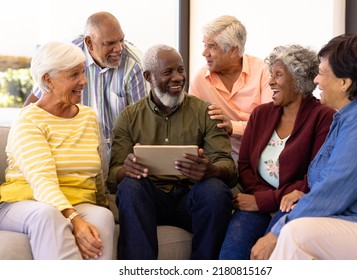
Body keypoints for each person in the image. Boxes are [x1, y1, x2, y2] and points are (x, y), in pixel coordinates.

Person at [251, 34, 357, 260]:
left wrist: (274, 234)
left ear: (345, 83)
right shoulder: (349, 117)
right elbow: (327, 183)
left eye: (322, 73)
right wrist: (304, 197)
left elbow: (335, 189)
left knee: (294, 234)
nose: (316, 80)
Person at [108, 44, 237, 260]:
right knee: (130, 186)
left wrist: (212, 170)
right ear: (148, 76)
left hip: (192, 199)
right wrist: (126, 170)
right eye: (168, 72)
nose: (178, 78)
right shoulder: (129, 117)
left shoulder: (205, 112)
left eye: (181, 70)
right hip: (151, 201)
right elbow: (113, 177)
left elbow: (229, 168)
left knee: (215, 189)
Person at [218, 45, 336, 260]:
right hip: (257, 201)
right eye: (270, 75)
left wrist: (264, 201)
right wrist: (260, 199)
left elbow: (315, 177)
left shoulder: (324, 117)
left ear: (299, 80)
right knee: (231, 254)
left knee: (269, 255)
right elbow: (244, 165)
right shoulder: (260, 114)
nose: (270, 82)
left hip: (294, 206)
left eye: (278, 75)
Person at [0, 41, 115, 259]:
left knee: (102, 217)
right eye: (74, 75)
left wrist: (104, 204)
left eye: (83, 72)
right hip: (25, 202)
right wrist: (75, 220)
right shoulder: (29, 121)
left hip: (78, 200)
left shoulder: (88, 117)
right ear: (48, 79)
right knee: (47, 214)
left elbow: (97, 175)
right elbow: (42, 182)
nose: (83, 81)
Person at [23, 11, 148, 176]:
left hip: (119, 153)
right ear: (89, 42)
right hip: (75, 150)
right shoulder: (68, 55)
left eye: (121, 40)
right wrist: (22, 132)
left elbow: (142, 125)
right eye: (110, 43)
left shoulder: (134, 65)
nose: (118, 48)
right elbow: (39, 98)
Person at [189, 15, 273, 162]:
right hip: (220, 157)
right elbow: (191, 126)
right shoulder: (201, 78)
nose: (204, 53)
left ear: (233, 50)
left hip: (263, 154)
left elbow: (270, 122)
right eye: (204, 45)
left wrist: (233, 127)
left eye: (212, 46)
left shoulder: (263, 72)